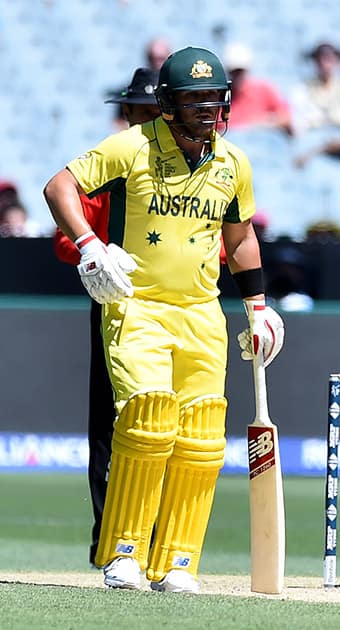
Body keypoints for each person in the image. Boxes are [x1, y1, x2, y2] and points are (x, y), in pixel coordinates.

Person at [43, 46, 285, 593]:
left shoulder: (234, 162)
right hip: (137, 306)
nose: (207, 109)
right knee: (147, 420)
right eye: (194, 99)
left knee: (200, 437)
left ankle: (178, 561)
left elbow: (240, 238)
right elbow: (60, 187)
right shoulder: (131, 146)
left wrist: (259, 308)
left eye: (214, 98)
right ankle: (123, 552)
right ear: (168, 105)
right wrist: (90, 246)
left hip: (203, 312)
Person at [51, 67, 161, 568]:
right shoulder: (108, 169)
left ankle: (162, 539)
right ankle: (108, 541)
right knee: (109, 426)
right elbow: (64, 241)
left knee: (163, 424)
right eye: (134, 112)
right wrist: (97, 255)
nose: (139, 120)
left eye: (150, 112)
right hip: (113, 308)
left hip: (172, 311)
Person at [223, 43, 294, 136]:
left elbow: (286, 118)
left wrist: (265, 123)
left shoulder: (263, 89)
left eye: (240, 71)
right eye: (234, 72)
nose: (238, 76)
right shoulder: (222, 98)